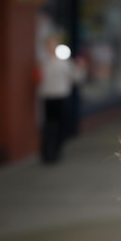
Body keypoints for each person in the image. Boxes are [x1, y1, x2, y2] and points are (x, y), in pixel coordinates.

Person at [37, 35, 85, 164]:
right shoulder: (43, 62)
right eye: (49, 45)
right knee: (48, 126)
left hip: (61, 97)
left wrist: (80, 66)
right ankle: (47, 153)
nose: (51, 47)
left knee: (60, 125)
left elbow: (76, 77)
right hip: (47, 97)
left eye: (53, 44)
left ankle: (56, 151)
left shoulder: (64, 62)